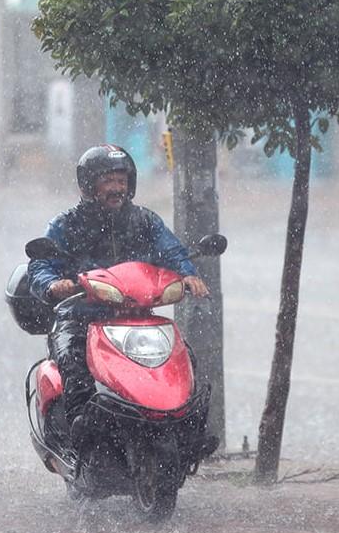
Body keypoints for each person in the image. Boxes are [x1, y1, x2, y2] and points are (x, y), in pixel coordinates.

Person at [28, 144, 209, 431]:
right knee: (74, 364)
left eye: (121, 181)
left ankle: (187, 431)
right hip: (82, 317)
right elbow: (40, 266)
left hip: (137, 315)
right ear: (89, 185)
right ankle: (80, 431)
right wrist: (53, 284)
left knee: (183, 358)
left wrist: (188, 274)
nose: (116, 188)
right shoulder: (67, 224)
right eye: (108, 181)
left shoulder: (145, 221)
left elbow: (172, 252)